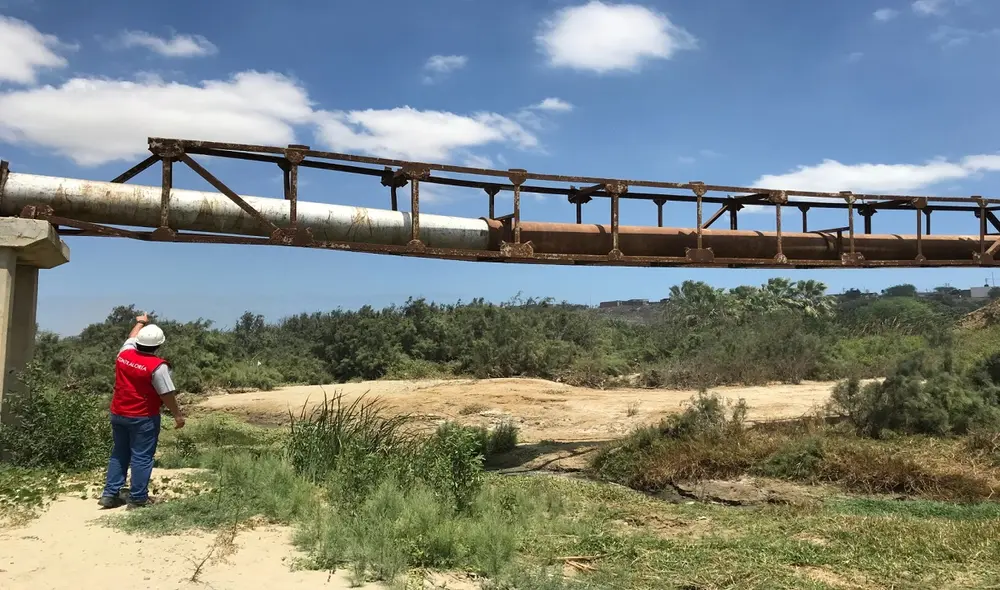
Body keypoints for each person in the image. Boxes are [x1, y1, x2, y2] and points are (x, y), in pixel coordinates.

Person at [98, 313, 185, 509]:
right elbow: (167, 394)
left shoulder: (124, 354)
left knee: (119, 453)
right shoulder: (157, 367)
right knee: (142, 456)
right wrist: (178, 416)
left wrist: (140, 322)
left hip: (118, 413)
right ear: (159, 345)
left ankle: (110, 494)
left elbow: (130, 337)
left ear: (138, 341)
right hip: (143, 417)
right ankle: (138, 498)